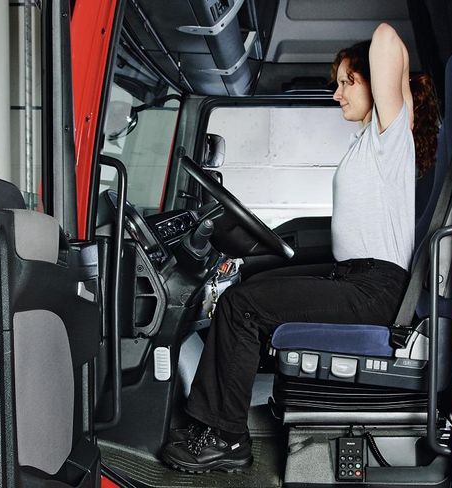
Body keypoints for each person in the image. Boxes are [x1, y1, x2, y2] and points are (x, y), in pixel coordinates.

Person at [160, 23, 436, 473]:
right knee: (244, 291)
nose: (338, 94)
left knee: (241, 307)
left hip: (376, 289)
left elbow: (386, 37)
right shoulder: (368, 141)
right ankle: (210, 422)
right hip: (354, 277)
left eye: (349, 81)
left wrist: (390, 79)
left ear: (378, 84)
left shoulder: (393, 137)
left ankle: (226, 438)